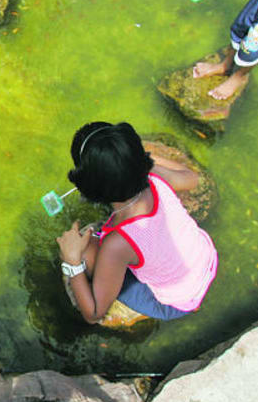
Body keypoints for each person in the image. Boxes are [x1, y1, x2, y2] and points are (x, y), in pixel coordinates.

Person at [56, 122, 217, 322]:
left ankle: (180, 305)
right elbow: (192, 178)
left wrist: (71, 261)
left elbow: (94, 313)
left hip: (176, 303)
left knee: (87, 250)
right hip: (206, 260)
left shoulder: (117, 243)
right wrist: (141, 161)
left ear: (88, 186)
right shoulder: (156, 178)